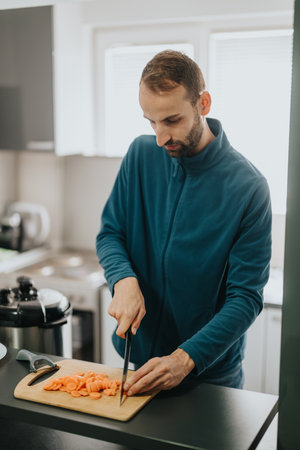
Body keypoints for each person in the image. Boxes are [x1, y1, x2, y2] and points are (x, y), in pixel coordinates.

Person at [96, 50, 272, 396]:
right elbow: (110, 234)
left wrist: (185, 358)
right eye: (151, 122)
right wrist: (123, 280)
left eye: (172, 120)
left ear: (203, 104)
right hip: (140, 365)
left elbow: (246, 297)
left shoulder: (249, 187)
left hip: (209, 377)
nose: (161, 138)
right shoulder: (140, 156)